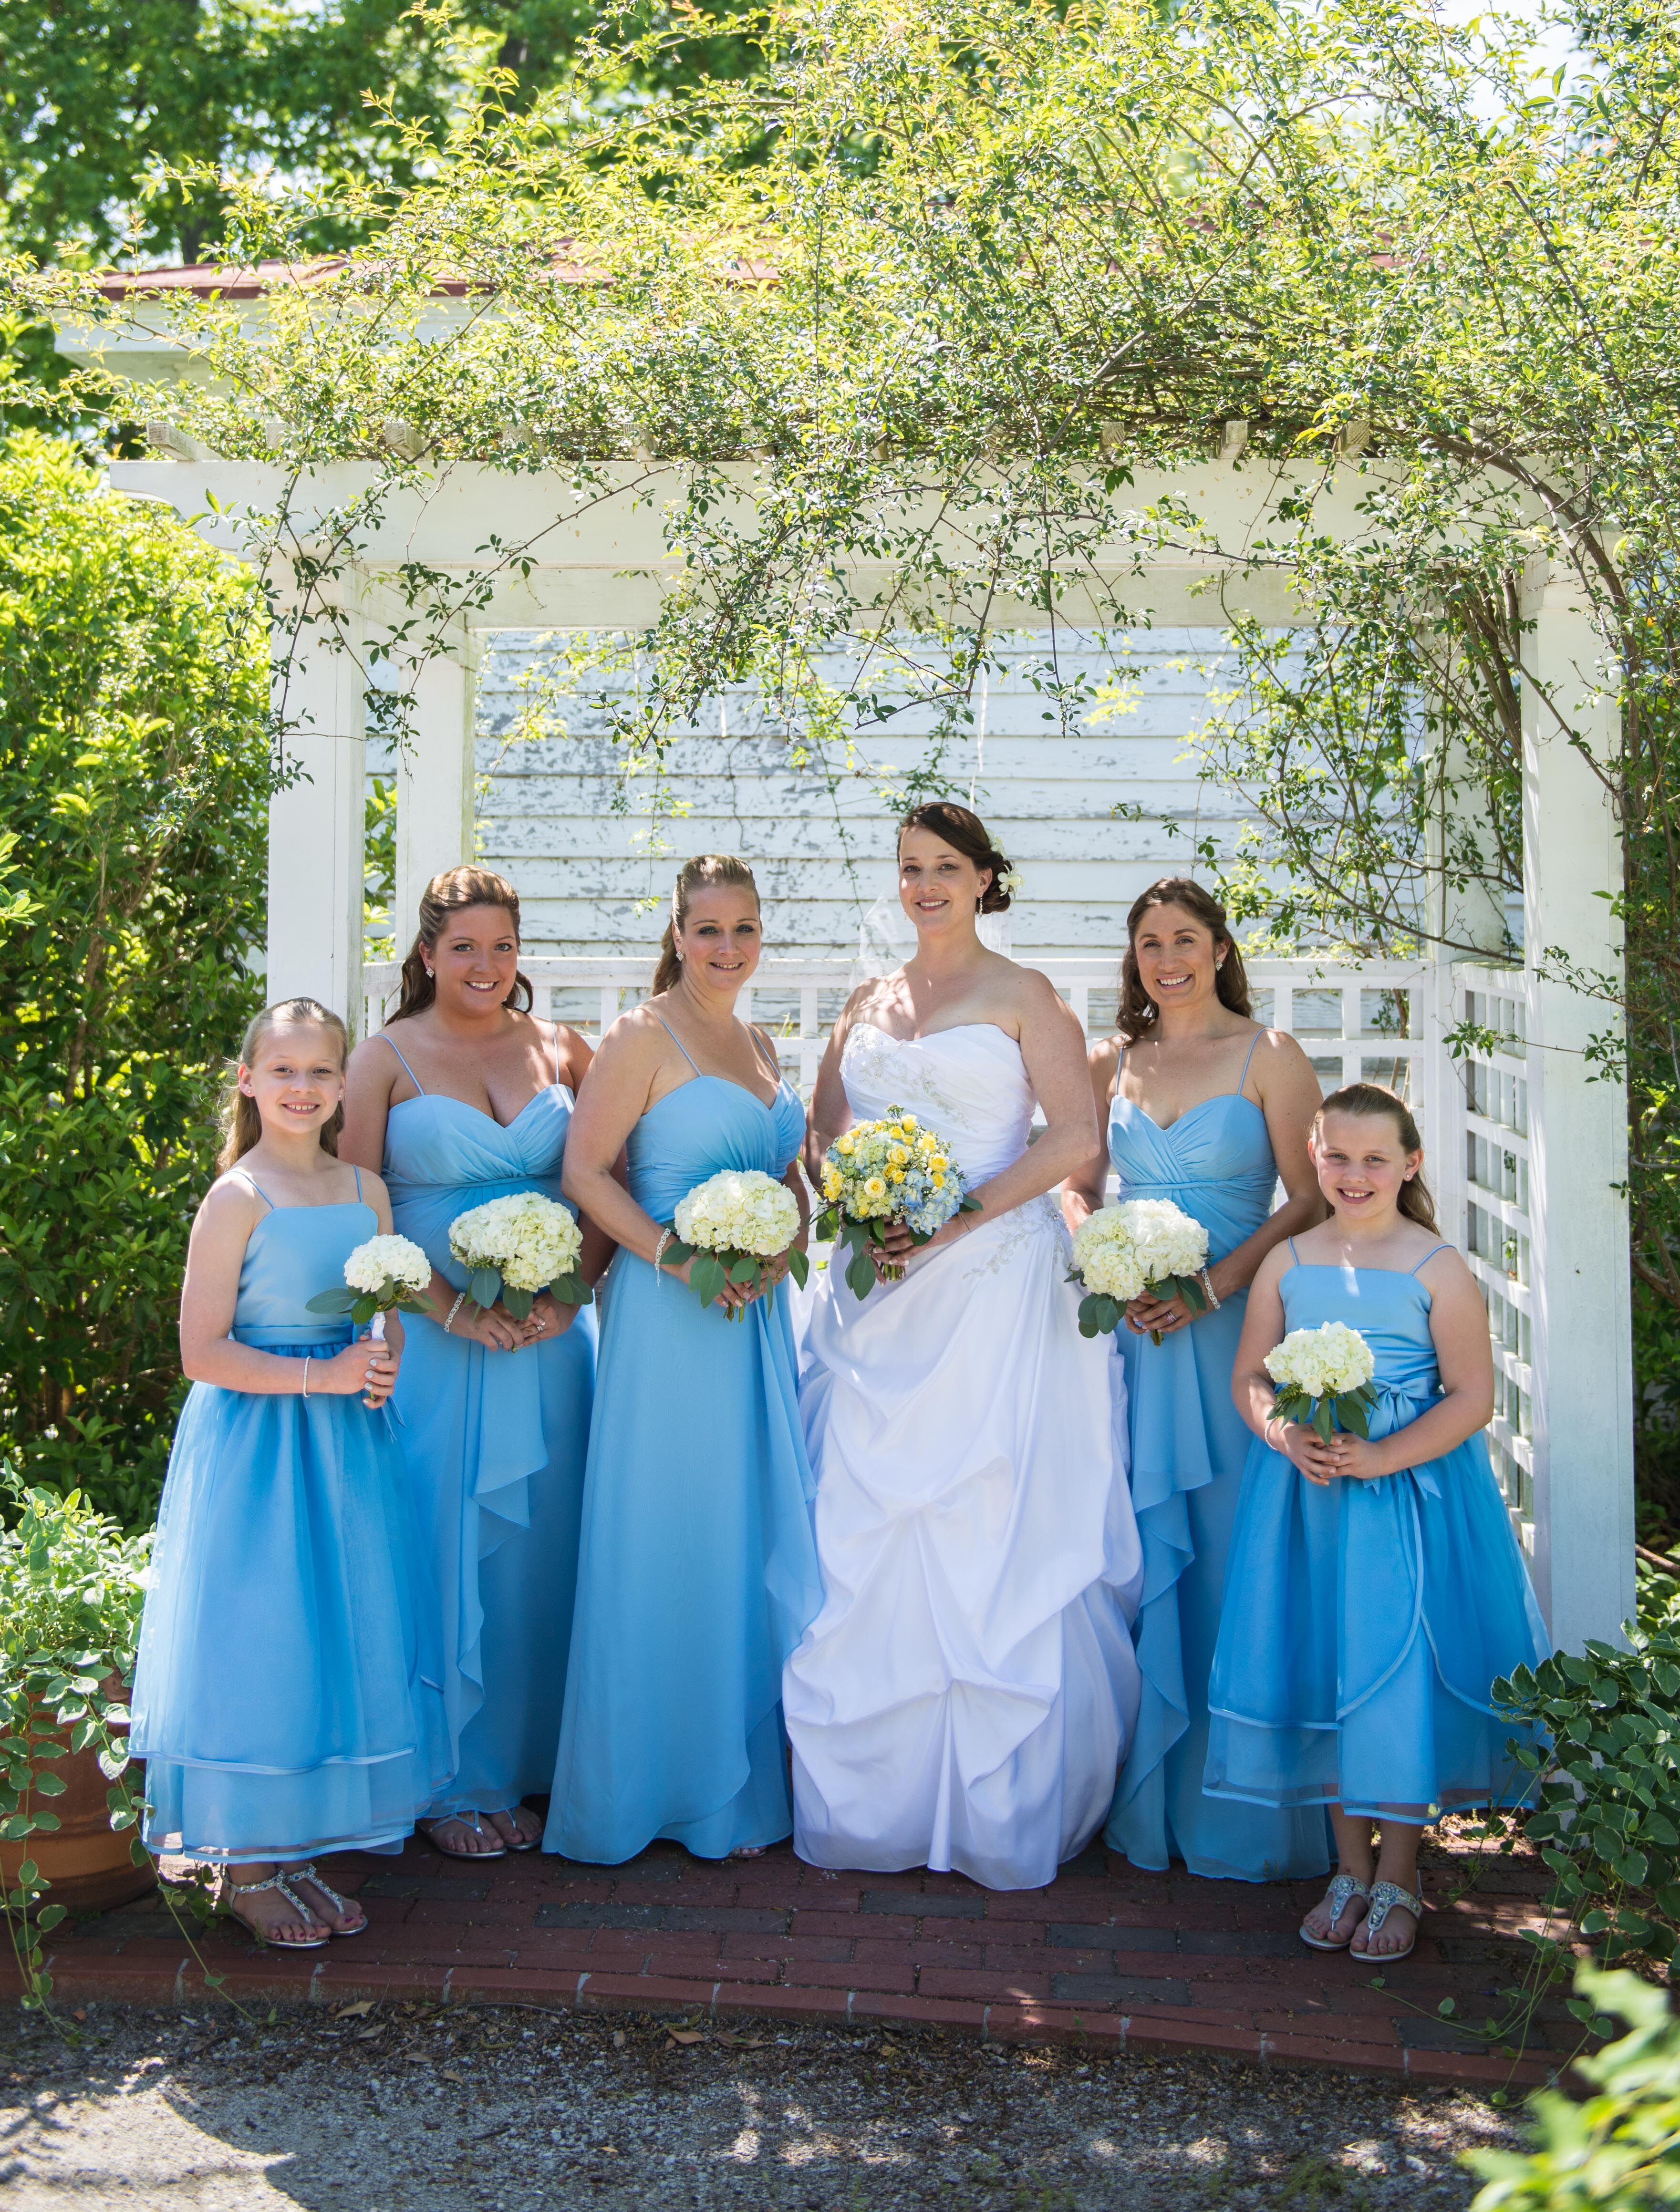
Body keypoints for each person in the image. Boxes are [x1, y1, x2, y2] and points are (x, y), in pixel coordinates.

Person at [784, 802, 1141, 1893]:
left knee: (989, 1530)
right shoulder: (868, 1001)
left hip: (992, 1287)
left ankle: (1002, 1802)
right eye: (909, 867)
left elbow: (1077, 1140)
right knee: (865, 1532)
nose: (926, 884)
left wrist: (952, 1216)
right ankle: (874, 1796)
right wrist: (862, 1199)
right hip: (878, 1293)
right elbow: (823, 1133)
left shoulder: (1027, 995)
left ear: (988, 878)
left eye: (946, 866)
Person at [129, 999, 451, 1948]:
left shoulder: (365, 1187)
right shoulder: (237, 1196)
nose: (303, 1086)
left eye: (320, 1070)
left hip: (346, 1445)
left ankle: (296, 1840)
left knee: (331, 1627)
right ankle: (245, 1860)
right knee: (262, 1628)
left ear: (342, 1083)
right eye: (283, 1070)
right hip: (261, 1444)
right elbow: (201, 1350)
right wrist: (323, 1373)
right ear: (247, 1081)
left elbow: (382, 1306)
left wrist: (381, 1355)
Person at [1207, 1082, 1549, 1960]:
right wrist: (1284, 1432)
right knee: (1327, 1660)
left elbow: (1474, 1397)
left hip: (1405, 1498)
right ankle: (1346, 1868)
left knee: (1393, 1669)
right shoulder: (1290, 1261)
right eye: (1336, 1157)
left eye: (1373, 1159)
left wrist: (1385, 1457)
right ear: (1314, 1158)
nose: (1353, 1175)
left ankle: (1403, 1872)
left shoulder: (1435, 1266)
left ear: (1410, 1164)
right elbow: (1250, 1377)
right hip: (1309, 1498)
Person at [543, 855, 818, 1865]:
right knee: (663, 1532)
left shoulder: (759, 1039)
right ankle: (644, 1785)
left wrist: (780, 1248)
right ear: (676, 929)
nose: (729, 947)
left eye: (745, 928)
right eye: (709, 928)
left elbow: (788, 1177)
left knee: (741, 1531)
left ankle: (734, 1786)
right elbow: (585, 1170)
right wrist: (677, 1256)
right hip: (669, 1318)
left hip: (754, 1320)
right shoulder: (638, 1035)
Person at [1062, 878, 1333, 1884]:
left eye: (1184, 939)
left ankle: (1241, 1809)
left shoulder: (1271, 1056)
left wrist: (1215, 1287)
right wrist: (1096, 1250)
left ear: (1219, 948)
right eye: (1147, 942)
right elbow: (1077, 1180)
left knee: (1228, 1547)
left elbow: (1307, 1201)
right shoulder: (1110, 1060)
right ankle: (1144, 1800)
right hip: (1130, 1334)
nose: (1165, 958)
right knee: (1133, 1551)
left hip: (1234, 1333)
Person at [341, 868, 607, 1861]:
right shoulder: (384, 1058)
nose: (485, 966)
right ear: (425, 954)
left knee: (547, 1546)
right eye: (463, 948)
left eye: (502, 947)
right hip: (436, 1344)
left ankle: (536, 1759)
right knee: (444, 1545)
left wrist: (564, 1294)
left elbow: (604, 1186)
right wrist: (446, 1305)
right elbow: (355, 1206)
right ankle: (450, 1779)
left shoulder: (563, 1048)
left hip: (547, 1344)